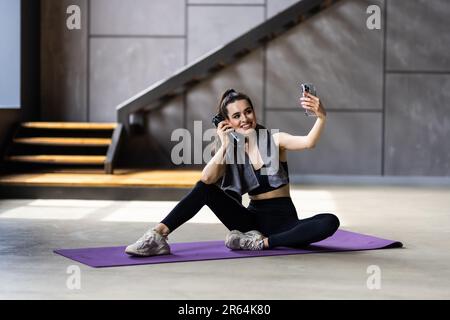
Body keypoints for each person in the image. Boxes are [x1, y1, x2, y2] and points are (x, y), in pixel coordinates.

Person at [125, 88, 340, 256]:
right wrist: (225, 145)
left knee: (330, 221)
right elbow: (207, 179)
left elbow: (308, 142)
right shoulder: (230, 149)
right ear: (227, 122)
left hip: (285, 224)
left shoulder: (275, 140)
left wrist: (321, 117)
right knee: (204, 189)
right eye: (236, 116)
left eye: (248, 111)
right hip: (250, 223)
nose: (244, 119)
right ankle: (157, 236)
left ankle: (261, 243)